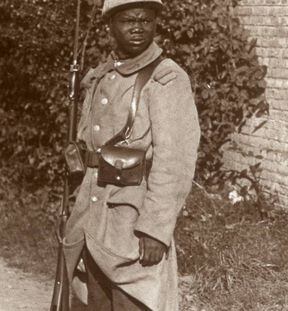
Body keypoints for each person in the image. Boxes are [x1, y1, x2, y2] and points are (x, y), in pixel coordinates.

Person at [62, 0, 200, 310]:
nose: (138, 26)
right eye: (128, 20)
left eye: (146, 19)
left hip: (132, 225)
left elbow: (174, 162)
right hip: (92, 219)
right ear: (110, 25)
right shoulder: (102, 76)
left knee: (134, 302)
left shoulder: (166, 78)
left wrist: (155, 230)